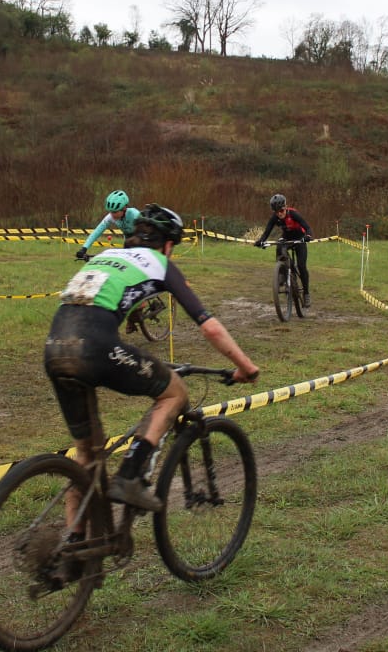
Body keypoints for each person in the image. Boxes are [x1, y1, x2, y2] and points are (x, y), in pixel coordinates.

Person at [45, 203, 259, 513]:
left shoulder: (107, 255)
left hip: (54, 345)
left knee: (87, 457)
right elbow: (209, 327)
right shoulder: (160, 262)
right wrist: (245, 366)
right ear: (169, 244)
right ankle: (129, 476)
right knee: (175, 392)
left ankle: (75, 544)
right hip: (94, 346)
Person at [253, 193, 315, 307]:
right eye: (276, 212)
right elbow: (267, 232)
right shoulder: (275, 218)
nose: (279, 214)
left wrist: (308, 236)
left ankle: (306, 293)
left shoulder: (294, 214)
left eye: (281, 211)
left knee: (301, 266)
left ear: (285, 207)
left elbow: (307, 227)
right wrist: (261, 241)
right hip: (287, 238)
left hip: (299, 239)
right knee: (279, 247)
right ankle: (283, 272)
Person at [74, 189, 141, 260]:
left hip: (141, 239)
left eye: (115, 212)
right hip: (128, 240)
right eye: (111, 212)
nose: (112, 215)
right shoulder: (110, 217)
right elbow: (97, 231)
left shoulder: (134, 214)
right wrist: (84, 248)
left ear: (124, 208)